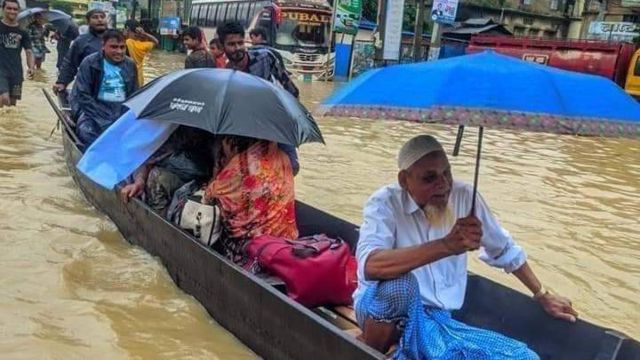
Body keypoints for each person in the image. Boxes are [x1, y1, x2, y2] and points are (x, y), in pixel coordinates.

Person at [354, 135, 579, 358]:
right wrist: (445, 245)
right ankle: (372, 352)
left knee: (524, 357)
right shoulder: (384, 203)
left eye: (446, 174)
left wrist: (541, 294)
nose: (443, 185)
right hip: (381, 312)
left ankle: (409, 349)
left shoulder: (465, 198)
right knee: (400, 286)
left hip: (438, 320)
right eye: (429, 178)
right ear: (404, 181)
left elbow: (503, 249)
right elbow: (371, 265)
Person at [217, 21, 300, 175]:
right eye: (231, 44)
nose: (237, 48)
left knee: (292, 166)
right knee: (247, 172)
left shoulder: (266, 58)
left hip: (276, 119)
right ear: (222, 47)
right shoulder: (225, 77)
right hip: (247, 129)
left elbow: (291, 90)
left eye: (240, 43)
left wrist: (291, 118)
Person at [203, 136, 298, 264]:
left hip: (252, 243)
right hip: (286, 236)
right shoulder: (284, 157)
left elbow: (209, 196)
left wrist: (219, 170)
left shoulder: (241, 164)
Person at [121, 126, 214, 218]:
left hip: (199, 174)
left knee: (157, 178)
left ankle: (158, 223)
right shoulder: (163, 126)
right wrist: (139, 181)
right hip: (168, 165)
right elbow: (146, 158)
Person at [72, 29, 137, 146]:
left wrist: (125, 121)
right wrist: (102, 121)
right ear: (103, 46)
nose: (119, 51)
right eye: (114, 47)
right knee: (86, 133)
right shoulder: (89, 62)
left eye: (122, 47)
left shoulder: (130, 64)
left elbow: (134, 95)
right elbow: (83, 96)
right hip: (93, 112)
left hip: (120, 112)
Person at [53, 9, 107, 94]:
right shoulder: (81, 41)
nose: (100, 20)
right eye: (95, 17)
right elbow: (70, 63)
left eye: (102, 17)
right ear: (88, 21)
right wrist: (62, 82)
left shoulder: (116, 39)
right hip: (88, 87)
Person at [0, 0, 34, 108]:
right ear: (3, 9)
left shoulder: (23, 31)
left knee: (12, 105)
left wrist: (31, 67)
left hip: (16, 74)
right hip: (1, 71)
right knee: (4, 98)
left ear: (18, 11)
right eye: (9, 8)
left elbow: (29, 51)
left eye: (15, 9)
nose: (12, 11)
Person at [123, 20, 158, 87]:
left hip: (127, 78)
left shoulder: (126, 42)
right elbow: (156, 42)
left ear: (127, 29)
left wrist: (125, 34)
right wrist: (144, 34)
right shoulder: (142, 45)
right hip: (139, 78)